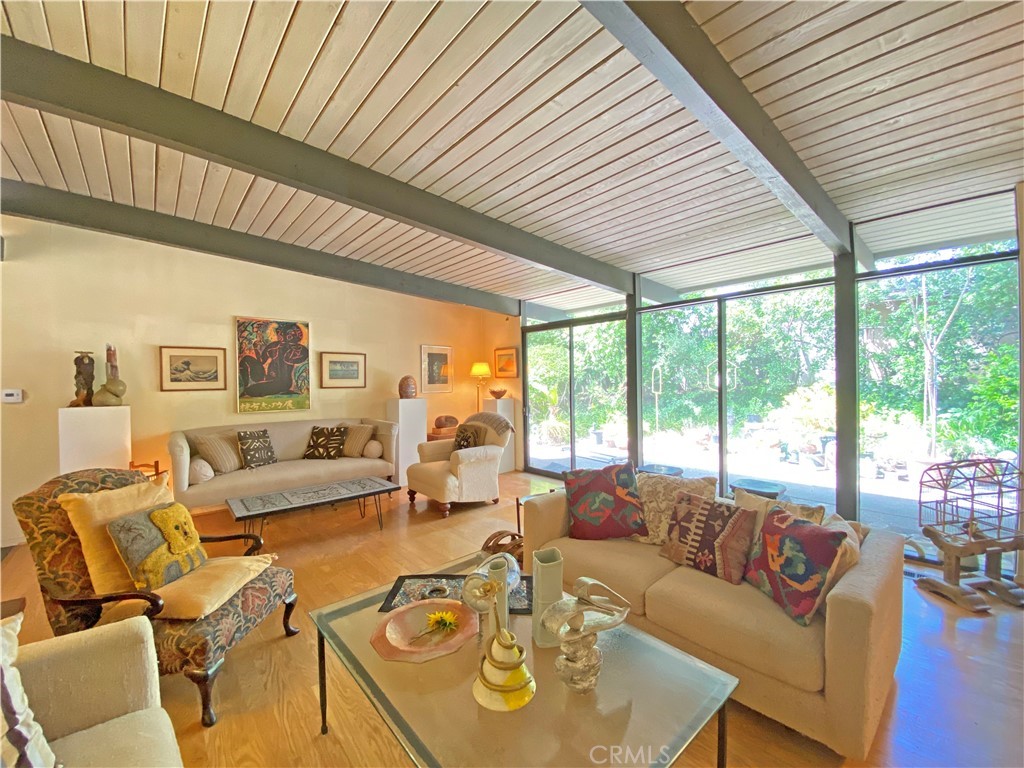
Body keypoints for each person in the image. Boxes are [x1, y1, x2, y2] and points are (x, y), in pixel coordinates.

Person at [239, 323, 308, 397]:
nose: (279, 334)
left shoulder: (298, 349)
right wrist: (256, 348)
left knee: (251, 391)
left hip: (282, 383)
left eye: (282, 332)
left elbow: (288, 359)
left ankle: (249, 389)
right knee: (246, 359)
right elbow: (262, 361)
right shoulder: (273, 346)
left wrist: (285, 349)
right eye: (278, 332)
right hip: (267, 377)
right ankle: (244, 385)